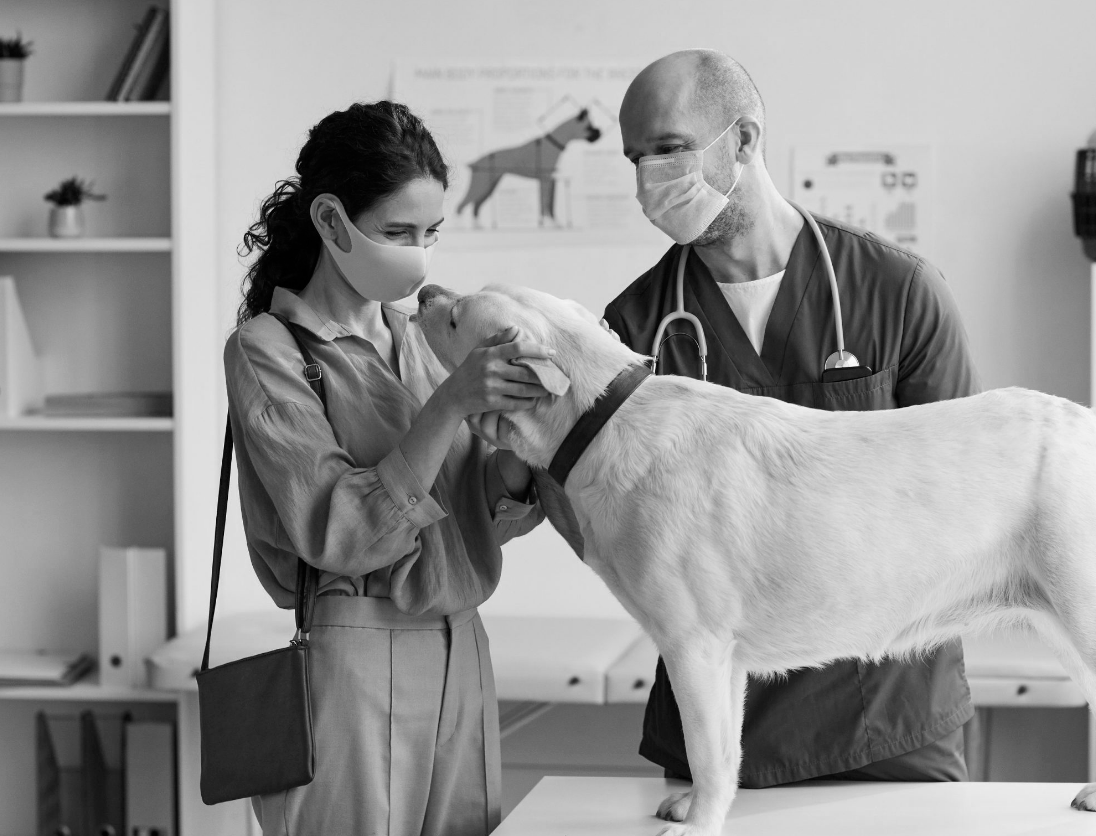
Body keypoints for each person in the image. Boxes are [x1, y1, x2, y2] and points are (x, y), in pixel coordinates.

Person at [603, 51, 982, 790]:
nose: (650, 178)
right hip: (717, 727)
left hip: (886, 713)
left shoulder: (898, 293)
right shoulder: (635, 329)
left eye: (670, 149)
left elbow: (964, 491)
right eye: (636, 159)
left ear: (743, 139)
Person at [225, 100, 550, 836]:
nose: (419, 255)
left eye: (432, 233)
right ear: (331, 220)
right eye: (399, 232)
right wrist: (451, 403)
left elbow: (475, 518)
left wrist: (518, 450)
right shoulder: (269, 350)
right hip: (356, 657)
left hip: (463, 646)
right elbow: (340, 532)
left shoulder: (426, 338)